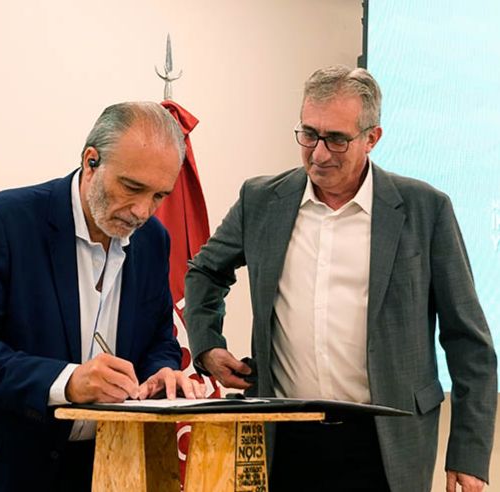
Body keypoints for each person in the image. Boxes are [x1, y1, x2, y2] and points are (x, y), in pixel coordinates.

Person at [184, 66, 496, 492]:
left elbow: (468, 341)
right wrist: (207, 347)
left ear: (372, 138)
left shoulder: (425, 209)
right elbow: (205, 271)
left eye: (336, 139)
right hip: (284, 437)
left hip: (386, 443)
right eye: (308, 134)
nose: (319, 153)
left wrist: (468, 454)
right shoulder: (261, 201)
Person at [0, 101, 205, 491]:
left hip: (90, 471)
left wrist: (160, 373)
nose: (142, 211)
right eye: (132, 188)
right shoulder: (2, 222)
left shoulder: (153, 241)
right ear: (91, 161)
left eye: (159, 196)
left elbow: (158, 338)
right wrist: (67, 381)